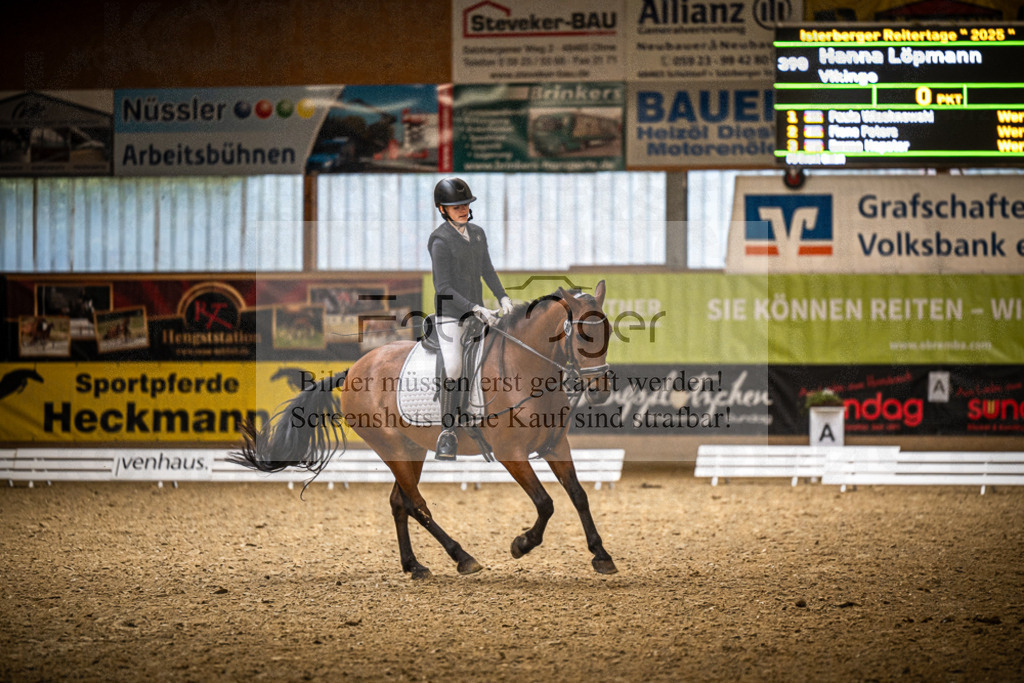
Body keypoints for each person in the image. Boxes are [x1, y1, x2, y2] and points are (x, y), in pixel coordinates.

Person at [428, 177, 514, 460]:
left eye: (465, 204)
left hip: (480, 314)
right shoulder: (440, 240)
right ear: (443, 210)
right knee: (453, 367)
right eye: (456, 207)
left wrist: (502, 297)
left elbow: (487, 270)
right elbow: (443, 288)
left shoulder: (477, 233)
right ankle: (448, 432)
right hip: (451, 316)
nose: (463, 209)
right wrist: (474, 308)